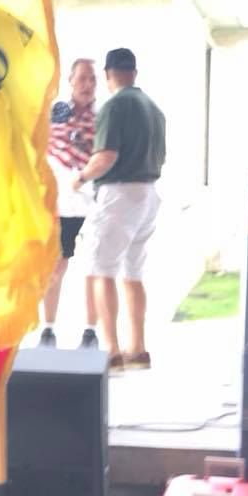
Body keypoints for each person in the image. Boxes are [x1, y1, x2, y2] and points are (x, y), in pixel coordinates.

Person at [73, 48, 166, 371]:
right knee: (133, 273)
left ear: (108, 75)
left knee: (102, 271)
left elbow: (106, 157)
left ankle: (111, 351)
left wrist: (80, 177)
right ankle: (138, 348)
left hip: (118, 195)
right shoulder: (154, 108)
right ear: (134, 73)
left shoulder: (114, 105)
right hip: (149, 194)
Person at [40, 58, 100, 349]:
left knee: (94, 267)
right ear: (71, 82)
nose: (87, 85)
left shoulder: (103, 116)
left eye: (92, 79)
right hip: (61, 203)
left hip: (93, 201)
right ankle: (47, 329)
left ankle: (90, 331)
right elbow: (42, 147)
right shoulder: (57, 111)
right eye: (82, 79)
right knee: (56, 266)